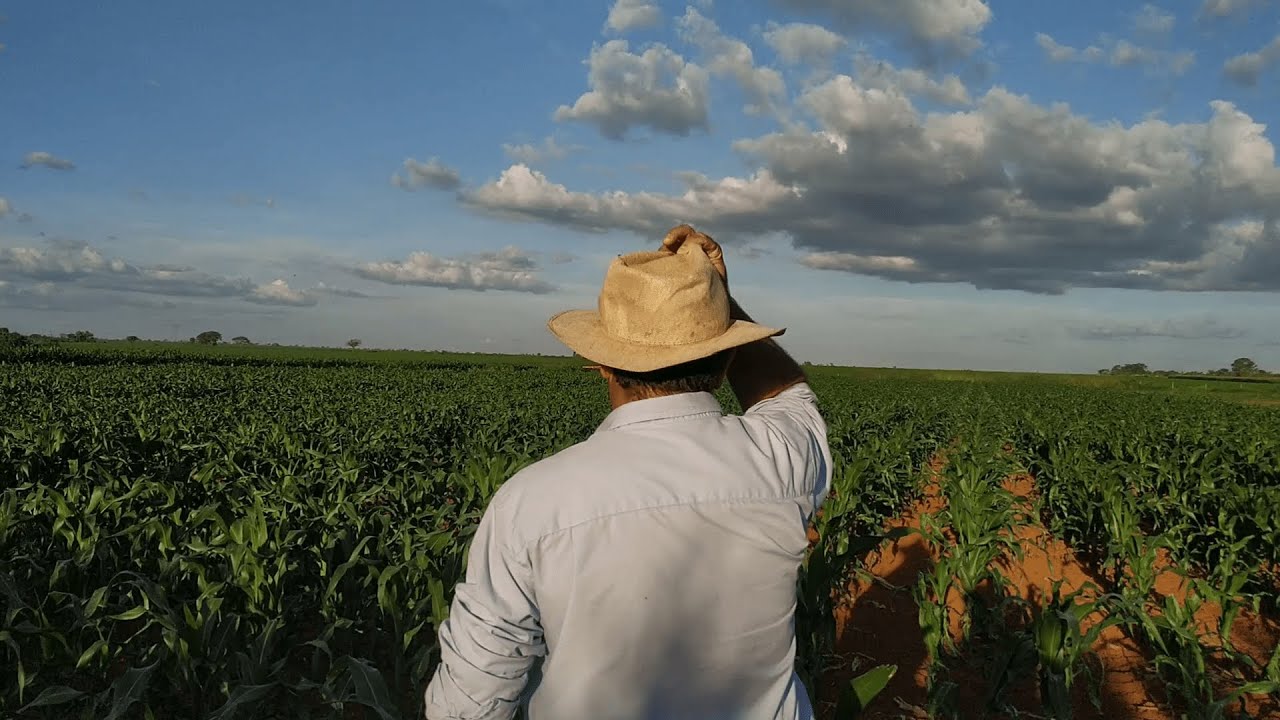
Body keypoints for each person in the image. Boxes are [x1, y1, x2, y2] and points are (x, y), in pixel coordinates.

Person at [423, 225, 833, 719]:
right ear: (728, 358)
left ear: (601, 362)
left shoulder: (531, 502)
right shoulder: (782, 459)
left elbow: (474, 697)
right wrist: (718, 301)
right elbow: (788, 397)